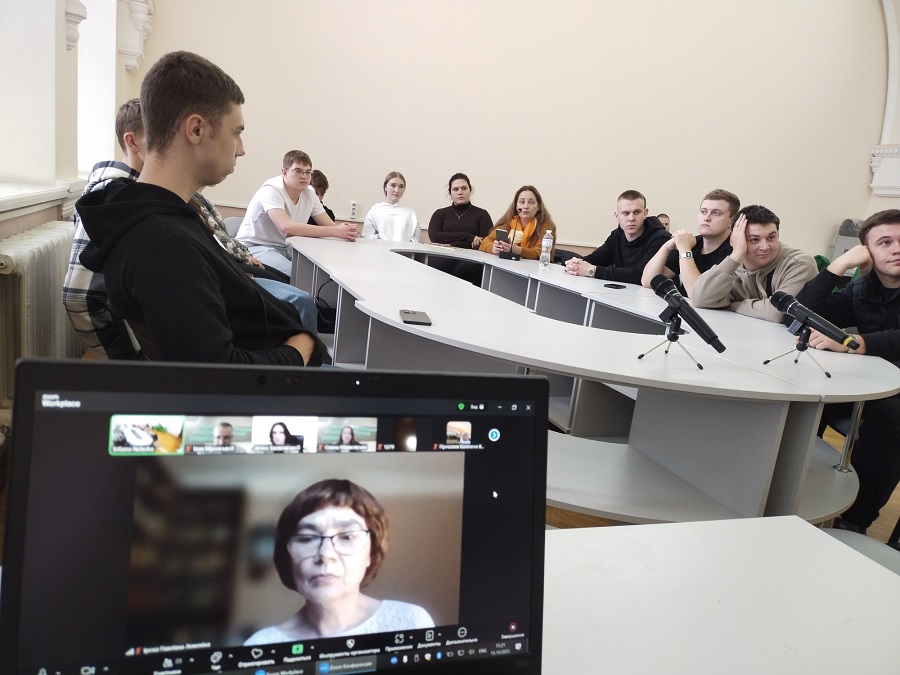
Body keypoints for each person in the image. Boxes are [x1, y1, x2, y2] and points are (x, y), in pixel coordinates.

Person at [77, 52, 324, 366]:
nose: (241, 149)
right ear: (196, 130)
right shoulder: (166, 245)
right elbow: (218, 373)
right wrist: (301, 348)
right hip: (277, 385)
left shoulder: (165, 217)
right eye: (236, 132)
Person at [793, 210, 900, 542]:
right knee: (808, 395)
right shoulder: (861, 288)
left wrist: (857, 343)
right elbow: (802, 314)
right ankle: (793, 491)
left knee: (889, 417)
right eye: (885, 242)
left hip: (892, 401)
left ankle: (854, 520)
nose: (897, 249)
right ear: (867, 251)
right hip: (876, 383)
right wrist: (838, 266)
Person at [244, 479, 434, 644]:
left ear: (371, 553)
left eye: (347, 537)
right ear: (287, 556)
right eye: (307, 538)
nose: (326, 554)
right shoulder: (261, 645)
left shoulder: (410, 622)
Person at [236, 150, 359, 276]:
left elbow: (330, 225)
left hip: (288, 247)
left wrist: (347, 231)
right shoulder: (271, 190)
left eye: (308, 172)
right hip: (256, 247)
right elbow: (287, 228)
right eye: (298, 171)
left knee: (322, 273)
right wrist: (337, 231)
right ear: (284, 172)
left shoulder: (309, 192)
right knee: (301, 277)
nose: (304, 176)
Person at [690, 205, 817, 322]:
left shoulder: (799, 264)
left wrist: (732, 305)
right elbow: (700, 299)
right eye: (754, 240)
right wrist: (737, 254)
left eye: (771, 238)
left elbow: (780, 313)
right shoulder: (733, 265)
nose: (765, 247)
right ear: (735, 240)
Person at [641, 189, 739, 296]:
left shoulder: (734, 252)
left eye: (716, 213)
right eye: (703, 211)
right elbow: (648, 281)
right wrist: (667, 246)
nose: (706, 218)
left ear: (732, 221)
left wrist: (684, 250)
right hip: (684, 305)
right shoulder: (692, 243)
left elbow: (697, 294)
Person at [564, 190, 670, 284]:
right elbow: (595, 259)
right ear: (616, 216)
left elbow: (640, 275)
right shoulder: (616, 235)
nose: (631, 218)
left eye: (637, 212)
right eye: (625, 213)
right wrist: (574, 264)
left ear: (645, 213)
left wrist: (593, 271)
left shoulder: (660, 238)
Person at [427, 173, 493, 284]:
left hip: (471, 257)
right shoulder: (440, 213)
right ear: (450, 192)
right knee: (438, 265)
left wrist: (453, 241)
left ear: (470, 190)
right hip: (444, 254)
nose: (460, 192)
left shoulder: (482, 214)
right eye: (455, 189)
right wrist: (468, 237)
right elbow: (435, 236)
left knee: (464, 270)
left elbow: (485, 241)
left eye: (464, 188)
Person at [479, 185, 557, 260]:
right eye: (522, 202)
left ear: (538, 207)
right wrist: (493, 248)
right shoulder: (509, 223)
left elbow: (540, 252)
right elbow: (484, 243)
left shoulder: (546, 226)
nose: (525, 206)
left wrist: (516, 249)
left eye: (531, 202)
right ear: (516, 206)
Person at [361, 171, 420, 242]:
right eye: (393, 185)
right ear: (385, 187)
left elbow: (417, 240)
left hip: (404, 249)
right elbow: (367, 236)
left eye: (401, 186)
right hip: (379, 249)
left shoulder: (410, 213)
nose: (397, 190)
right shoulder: (375, 211)